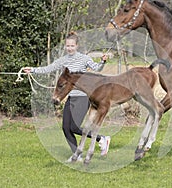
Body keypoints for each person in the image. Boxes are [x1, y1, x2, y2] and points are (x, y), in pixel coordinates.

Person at [24, 31, 111, 162]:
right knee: (66, 128)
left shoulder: (84, 58)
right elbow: (49, 68)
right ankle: (77, 155)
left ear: (77, 46)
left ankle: (102, 139)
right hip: (70, 97)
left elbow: (97, 69)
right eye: (67, 46)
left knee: (74, 127)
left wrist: (102, 61)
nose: (69, 48)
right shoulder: (63, 60)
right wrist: (33, 70)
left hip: (83, 97)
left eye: (72, 46)